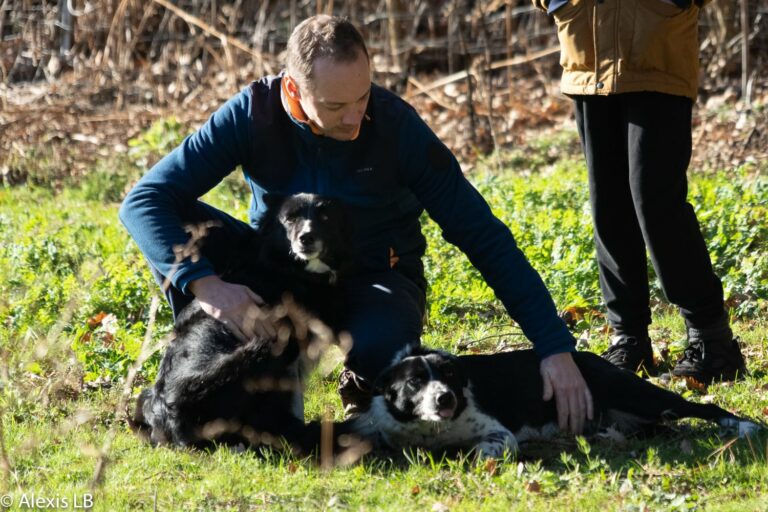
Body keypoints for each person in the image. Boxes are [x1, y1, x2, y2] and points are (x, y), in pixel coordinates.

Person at [119, 15, 594, 432]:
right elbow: (142, 201)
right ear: (292, 90)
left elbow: (480, 233)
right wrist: (207, 286)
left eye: (362, 98)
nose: (353, 118)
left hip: (373, 275)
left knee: (382, 349)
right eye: (333, 106)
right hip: (277, 271)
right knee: (172, 220)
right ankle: (198, 370)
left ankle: (359, 378)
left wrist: (552, 346)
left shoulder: (395, 127)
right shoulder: (254, 113)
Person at [532, 0, 747, 383]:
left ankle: (711, 339)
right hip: (586, 48)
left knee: (656, 202)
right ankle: (628, 338)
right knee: (609, 206)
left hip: (656, 45)